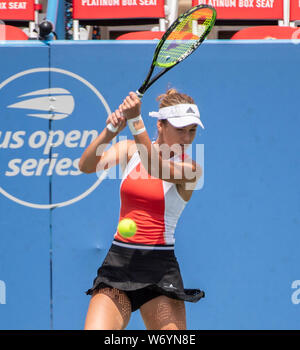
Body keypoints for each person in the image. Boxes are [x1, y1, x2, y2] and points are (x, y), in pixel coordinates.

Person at [79, 88, 205, 330]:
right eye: (181, 130)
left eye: (192, 130)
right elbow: (86, 165)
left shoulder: (191, 169)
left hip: (160, 270)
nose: (187, 138)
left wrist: (135, 120)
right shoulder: (129, 149)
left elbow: (155, 167)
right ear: (160, 125)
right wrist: (111, 130)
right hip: (118, 265)